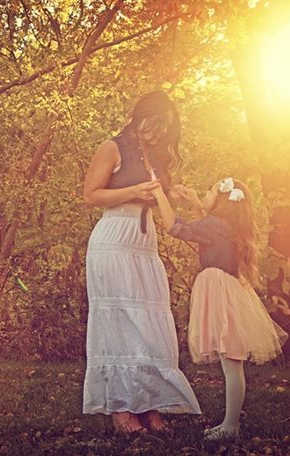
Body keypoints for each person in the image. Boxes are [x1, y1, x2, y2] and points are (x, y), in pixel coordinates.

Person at [82, 91, 201, 434]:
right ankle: (122, 408)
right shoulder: (113, 147)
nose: (162, 132)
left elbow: (160, 198)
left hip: (144, 243)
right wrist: (134, 192)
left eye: (167, 128)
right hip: (114, 238)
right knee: (120, 322)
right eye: (158, 124)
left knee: (148, 325)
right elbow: (91, 194)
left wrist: (170, 192)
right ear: (141, 116)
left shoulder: (156, 156)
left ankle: (149, 404)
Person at [150, 177, 288, 441]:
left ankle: (231, 425)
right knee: (231, 363)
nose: (206, 192)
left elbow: (175, 227)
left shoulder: (215, 225)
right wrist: (195, 203)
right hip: (227, 291)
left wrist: (159, 195)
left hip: (220, 292)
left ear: (222, 199)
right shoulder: (225, 225)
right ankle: (229, 422)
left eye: (210, 189)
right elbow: (205, 231)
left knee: (232, 363)